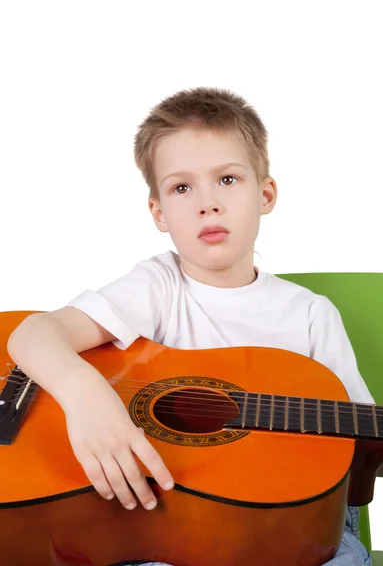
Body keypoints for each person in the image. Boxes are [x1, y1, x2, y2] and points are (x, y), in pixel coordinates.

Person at [7, 87, 374, 566]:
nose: (208, 203)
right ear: (159, 212)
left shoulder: (310, 314)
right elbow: (31, 335)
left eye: (227, 179)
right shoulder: (158, 287)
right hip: (164, 519)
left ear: (265, 194)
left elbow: (360, 449)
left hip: (291, 529)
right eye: (182, 188)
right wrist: (85, 395)